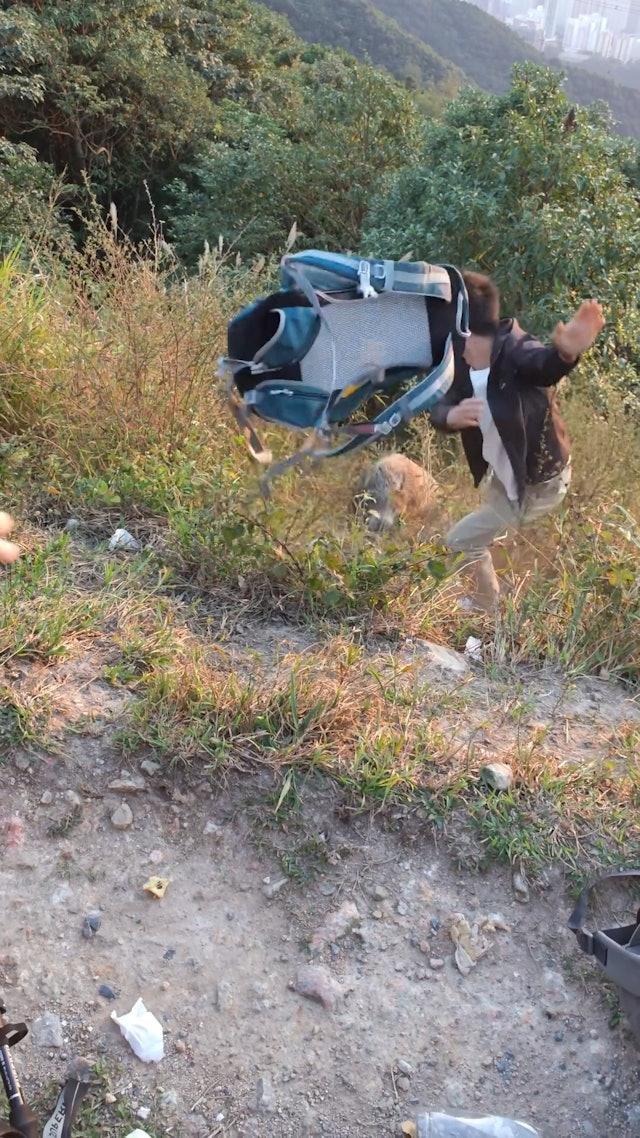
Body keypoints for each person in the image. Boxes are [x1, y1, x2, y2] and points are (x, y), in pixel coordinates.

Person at [430, 271, 605, 610]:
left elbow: (543, 365)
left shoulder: (515, 348)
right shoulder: (455, 356)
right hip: (505, 473)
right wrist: (448, 416)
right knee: (485, 533)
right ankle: (500, 595)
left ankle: (488, 607)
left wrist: (565, 353)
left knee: (461, 540)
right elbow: (438, 402)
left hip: (541, 481)